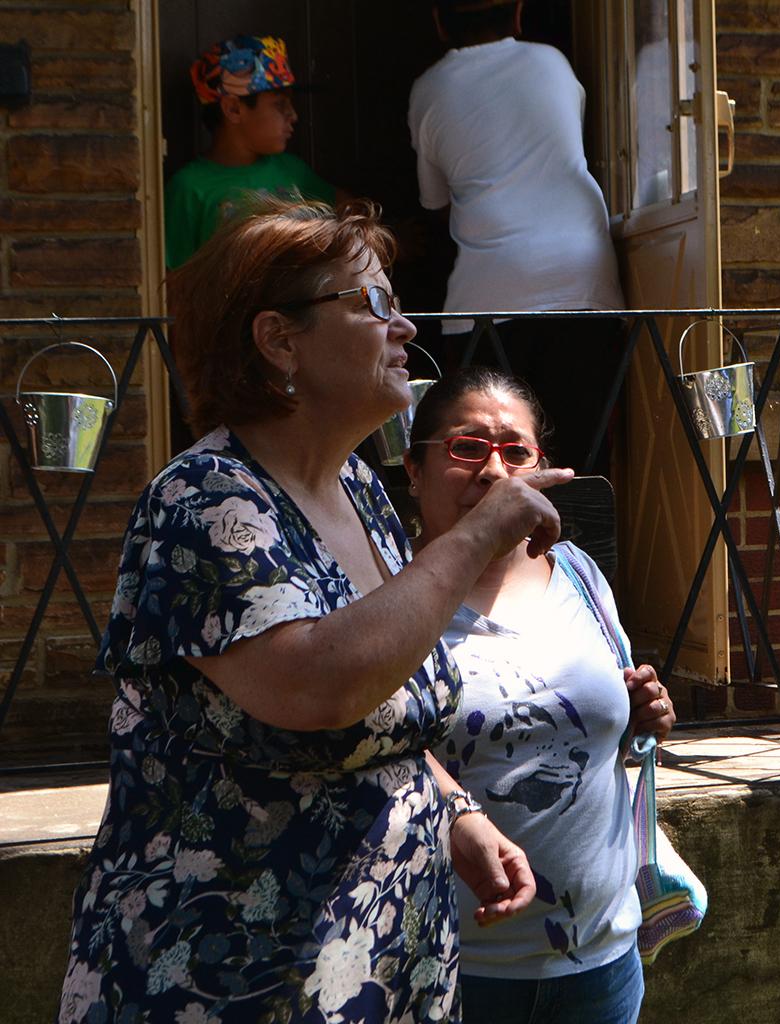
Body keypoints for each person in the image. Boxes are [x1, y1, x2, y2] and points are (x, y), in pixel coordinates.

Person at [58, 199, 572, 1023]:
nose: (403, 327)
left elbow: (383, 691)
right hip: (229, 982)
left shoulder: (359, 489)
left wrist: (454, 808)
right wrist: (475, 535)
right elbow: (315, 687)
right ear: (279, 340)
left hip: (382, 964)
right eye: (371, 303)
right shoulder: (204, 502)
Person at [402, 367, 675, 1024]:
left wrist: (639, 714)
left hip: (602, 965)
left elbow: (603, 724)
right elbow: (368, 742)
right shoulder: (392, 599)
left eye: (515, 452)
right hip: (457, 969)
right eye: (468, 447)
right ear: (414, 468)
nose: (495, 472)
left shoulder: (579, 574)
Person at [407, 0, 625, 472]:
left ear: (439, 21)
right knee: (580, 456)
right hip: (580, 284)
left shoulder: (430, 87)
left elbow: (435, 204)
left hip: (489, 295)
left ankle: (504, 545)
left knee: (491, 460)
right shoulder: (552, 63)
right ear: (520, 15)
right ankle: (580, 545)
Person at [164, 34, 339, 269]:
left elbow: (347, 213)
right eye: (280, 104)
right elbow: (175, 283)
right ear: (234, 109)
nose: (294, 116)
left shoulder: (292, 170)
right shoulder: (188, 189)